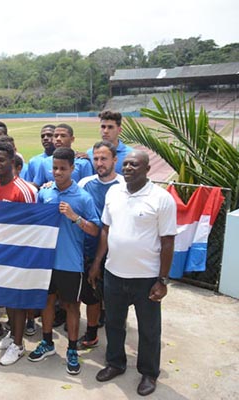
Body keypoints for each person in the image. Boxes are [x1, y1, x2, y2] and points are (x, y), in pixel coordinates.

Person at [89, 150, 176, 396]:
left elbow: (168, 241)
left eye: (134, 165)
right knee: (115, 324)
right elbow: (106, 229)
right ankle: (115, 363)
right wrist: (97, 262)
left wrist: (162, 280)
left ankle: (149, 373)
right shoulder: (114, 192)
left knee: (149, 329)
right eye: (126, 164)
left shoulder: (161, 198)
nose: (128, 168)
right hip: (114, 273)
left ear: (147, 169)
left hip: (146, 278)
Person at [29, 147, 100, 376]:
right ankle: (48, 343)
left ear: (72, 169)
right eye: (55, 168)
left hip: (70, 263)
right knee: (47, 303)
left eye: (63, 168)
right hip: (47, 261)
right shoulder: (45, 192)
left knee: (71, 306)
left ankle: (71, 349)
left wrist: (74, 217)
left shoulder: (83, 197)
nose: (57, 172)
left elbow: (95, 230)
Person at [0, 141, 37, 366]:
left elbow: (33, 227)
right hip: (0, 253)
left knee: (17, 301)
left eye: (1, 160)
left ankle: (18, 345)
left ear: (12, 161)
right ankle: (12, 335)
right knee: (7, 299)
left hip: (18, 255)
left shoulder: (24, 190)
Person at [77, 141, 124, 349]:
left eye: (104, 158)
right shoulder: (85, 183)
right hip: (89, 249)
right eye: (96, 158)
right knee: (92, 293)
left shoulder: (124, 186)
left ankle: (115, 334)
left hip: (116, 253)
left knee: (114, 299)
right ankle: (92, 332)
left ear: (115, 160)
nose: (99, 163)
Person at [31, 124, 92, 188]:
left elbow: (88, 188)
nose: (58, 139)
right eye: (56, 136)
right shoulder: (45, 162)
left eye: (63, 136)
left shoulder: (83, 162)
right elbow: (37, 185)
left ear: (72, 139)